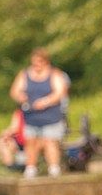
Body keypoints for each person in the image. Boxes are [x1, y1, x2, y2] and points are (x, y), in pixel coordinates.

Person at [9, 48, 67, 178]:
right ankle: (30, 168)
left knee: (50, 141)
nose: (36, 65)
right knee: (30, 142)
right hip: (31, 116)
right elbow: (14, 91)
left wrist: (46, 101)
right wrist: (20, 96)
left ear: (46, 61)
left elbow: (60, 92)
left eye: (39, 62)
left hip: (50, 117)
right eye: (34, 62)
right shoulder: (25, 74)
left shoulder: (54, 74)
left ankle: (54, 168)